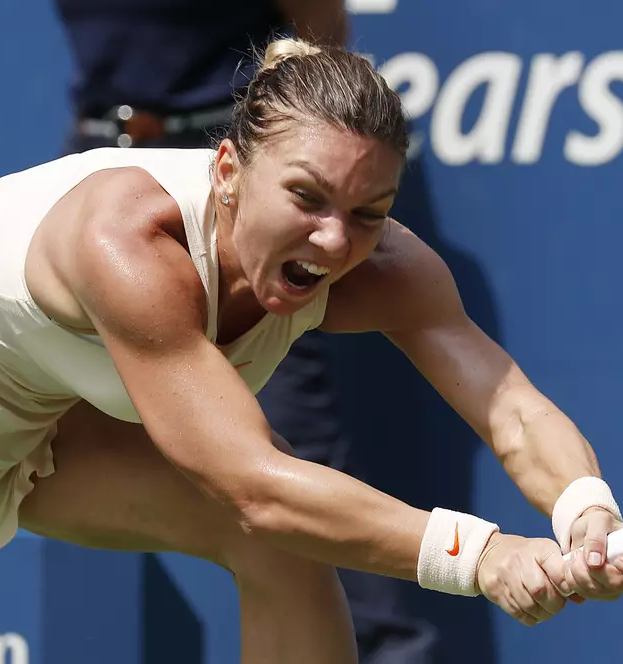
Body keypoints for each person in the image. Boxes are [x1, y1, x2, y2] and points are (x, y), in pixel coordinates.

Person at [0, 39, 623, 662]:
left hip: (29, 450)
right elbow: (252, 486)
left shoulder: (381, 268)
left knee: (287, 551)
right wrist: (479, 554)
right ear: (230, 170)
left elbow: (512, 410)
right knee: (275, 506)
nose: (336, 239)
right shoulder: (127, 238)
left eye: (370, 211)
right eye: (306, 197)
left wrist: (585, 510)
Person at [50, 1, 437, 659]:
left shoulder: (297, 205)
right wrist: (484, 555)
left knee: (295, 504)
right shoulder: (108, 229)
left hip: (253, 173)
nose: (344, 234)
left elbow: (322, 32)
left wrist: (552, 519)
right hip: (106, 158)